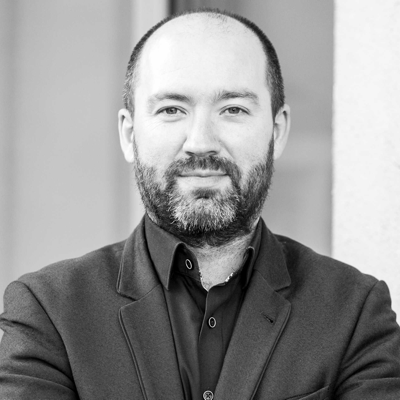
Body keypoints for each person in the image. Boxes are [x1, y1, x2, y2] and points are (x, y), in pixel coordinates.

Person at [1, 8, 399, 400]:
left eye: (233, 109)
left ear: (276, 132)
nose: (200, 141)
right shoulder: (48, 313)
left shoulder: (355, 314)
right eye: (172, 109)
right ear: (129, 133)